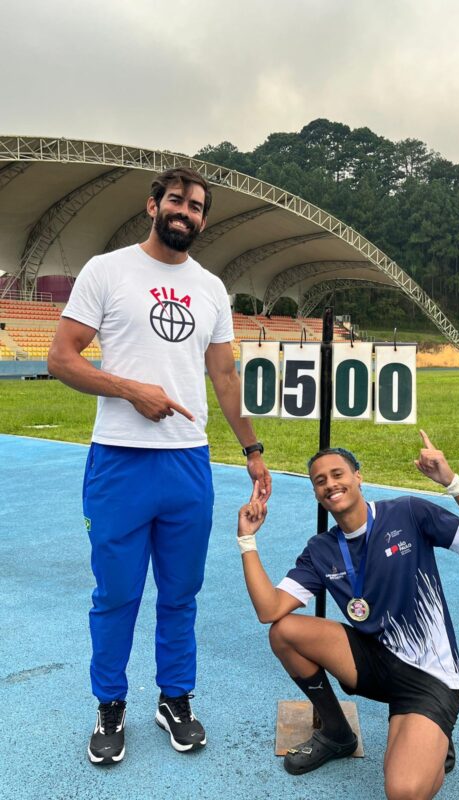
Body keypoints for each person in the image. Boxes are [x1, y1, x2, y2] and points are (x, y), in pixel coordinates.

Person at [48, 167, 271, 766]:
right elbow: (61, 358)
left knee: (180, 594)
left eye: (197, 207)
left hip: (187, 465)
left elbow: (224, 376)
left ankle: (175, 699)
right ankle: (110, 706)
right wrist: (128, 389)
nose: (187, 213)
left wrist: (253, 451)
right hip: (119, 462)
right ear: (153, 205)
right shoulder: (107, 270)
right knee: (116, 594)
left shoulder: (210, 288)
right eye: (177, 201)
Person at [236, 431, 459, 800]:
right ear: (316, 493)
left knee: (402, 791)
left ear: (358, 477)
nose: (330, 484)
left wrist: (451, 481)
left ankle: (434, 733)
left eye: (338, 474)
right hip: (374, 659)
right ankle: (336, 733)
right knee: (283, 632)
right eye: (320, 481)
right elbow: (269, 610)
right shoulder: (321, 550)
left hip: (429, 677)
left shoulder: (408, 513)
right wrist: (247, 540)